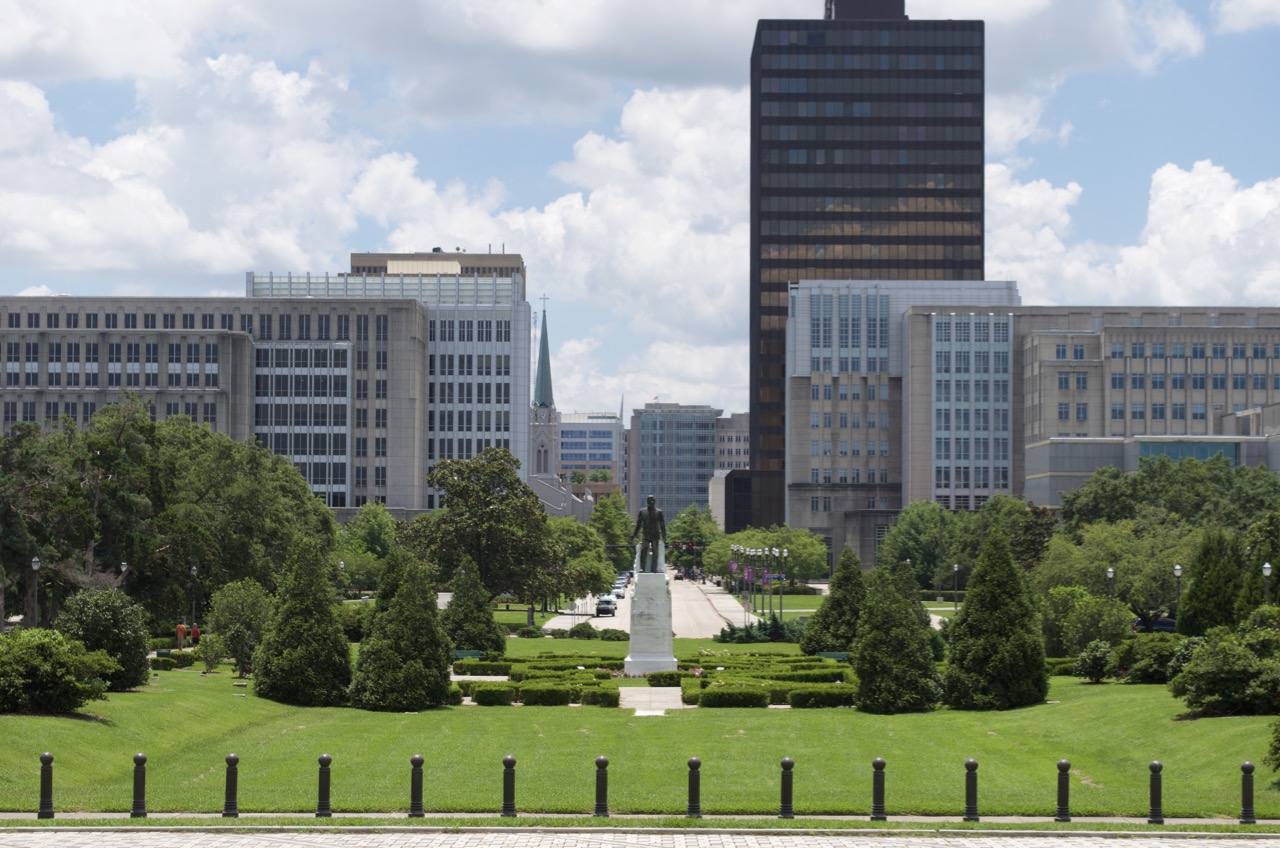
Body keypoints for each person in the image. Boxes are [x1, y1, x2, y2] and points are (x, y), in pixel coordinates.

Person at [630, 494, 666, 573]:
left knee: (655, 552)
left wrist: (664, 535)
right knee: (643, 550)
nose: (651, 501)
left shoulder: (659, 512)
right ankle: (642, 568)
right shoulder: (642, 511)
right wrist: (634, 534)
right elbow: (638, 524)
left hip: (655, 534)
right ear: (647, 501)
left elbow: (662, 525)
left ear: (654, 501)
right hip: (646, 534)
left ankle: (654, 568)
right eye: (650, 500)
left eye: (652, 500)